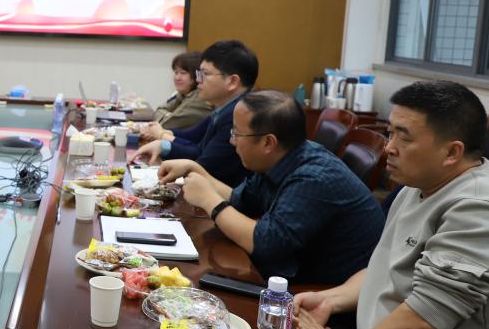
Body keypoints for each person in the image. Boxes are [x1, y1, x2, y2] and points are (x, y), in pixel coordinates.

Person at [294, 81, 489, 329]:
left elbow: (424, 321)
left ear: (451, 152)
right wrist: (330, 299)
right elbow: (382, 269)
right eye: (390, 132)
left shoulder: (479, 206)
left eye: (404, 137)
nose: (388, 147)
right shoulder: (417, 185)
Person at [157, 90, 384, 285]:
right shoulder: (280, 156)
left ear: (268, 142)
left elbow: (265, 244)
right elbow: (241, 201)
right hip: (285, 271)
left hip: (317, 290)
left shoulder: (313, 178)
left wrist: (209, 200)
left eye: (237, 133)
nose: (232, 141)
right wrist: (197, 170)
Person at [133, 39, 258, 186]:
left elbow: (203, 165)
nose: (198, 80)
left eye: (205, 74)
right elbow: (197, 145)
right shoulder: (225, 108)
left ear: (232, 82)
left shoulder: (239, 116)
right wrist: (163, 145)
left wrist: (163, 138)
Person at [143, 50, 212, 133]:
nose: (177, 78)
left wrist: (168, 116)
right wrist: (168, 115)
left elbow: (165, 124)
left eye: (183, 73)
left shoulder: (198, 99)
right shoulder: (182, 93)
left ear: (196, 76)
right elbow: (159, 109)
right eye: (176, 72)